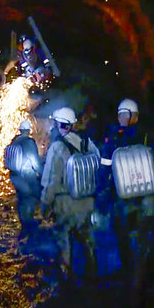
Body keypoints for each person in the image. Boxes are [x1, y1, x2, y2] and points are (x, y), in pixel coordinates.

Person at [98, 98, 154, 292]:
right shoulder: (147, 136)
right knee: (141, 240)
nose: (121, 118)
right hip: (144, 198)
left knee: (126, 238)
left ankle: (133, 278)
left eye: (123, 114)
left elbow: (104, 171)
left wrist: (102, 193)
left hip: (125, 199)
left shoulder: (113, 139)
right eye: (121, 114)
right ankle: (139, 277)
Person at [40, 107, 100, 280]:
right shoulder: (87, 142)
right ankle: (93, 273)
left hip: (65, 203)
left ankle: (67, 278)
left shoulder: (57, 147)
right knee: (87, 237)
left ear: (59, 124)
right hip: (87, 200)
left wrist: (45, 202)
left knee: (63, 239)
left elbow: (51, 179)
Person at [5, 120, 43, 245]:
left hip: (15, 176)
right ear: (28, 130)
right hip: (27, 176)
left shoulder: (14, 141)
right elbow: (35, 161)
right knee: (31, 199)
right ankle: (29, 228)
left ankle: (24, 226)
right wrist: (42, 173)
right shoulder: (29, 142)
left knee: (21, 200)